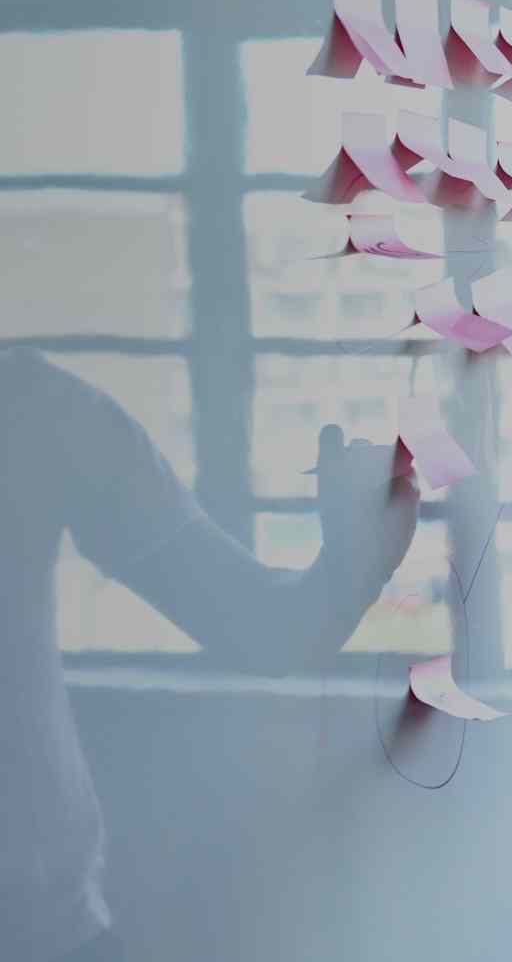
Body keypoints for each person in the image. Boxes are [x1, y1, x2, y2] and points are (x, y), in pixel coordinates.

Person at [1, 349, 421, 962]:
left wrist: (356, 555)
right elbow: (271, 632)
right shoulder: (43, 406)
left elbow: (270, 631)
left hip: (47, 931)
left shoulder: (39, 407)